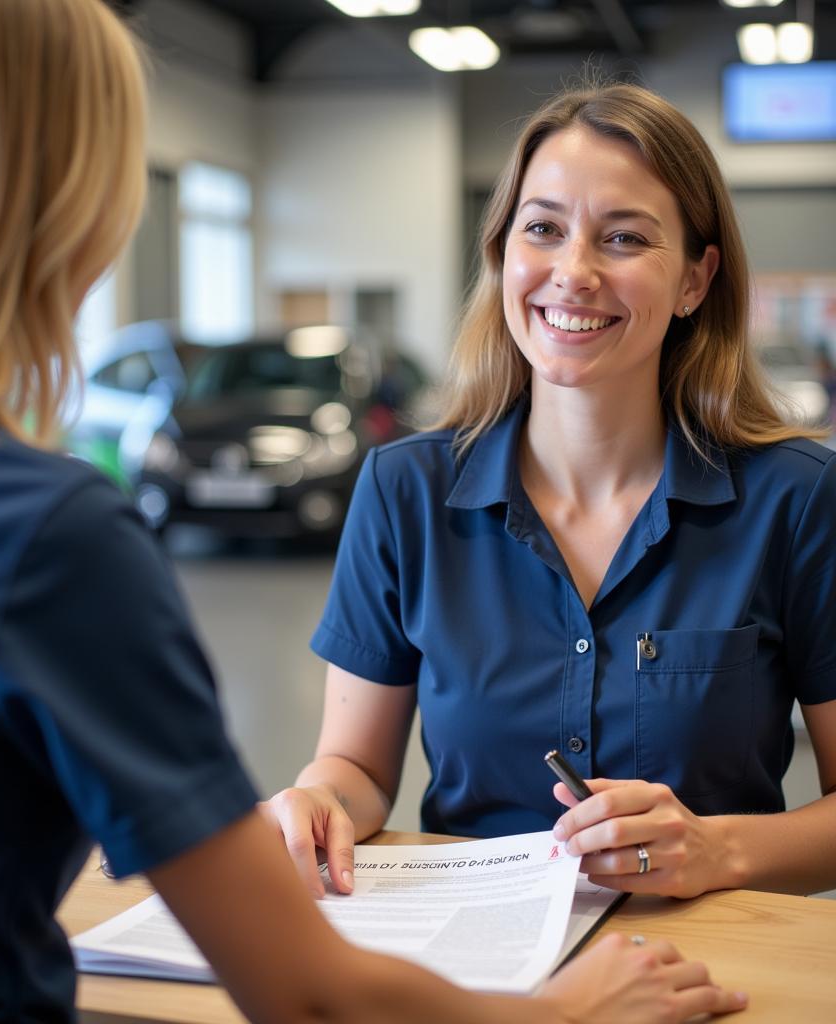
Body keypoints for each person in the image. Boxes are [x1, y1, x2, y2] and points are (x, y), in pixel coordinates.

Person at [0, 3, 746, 1023]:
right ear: (69, 197)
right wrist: (565, 1015)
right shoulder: (40, 536)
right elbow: (304, 990)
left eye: (622, 237)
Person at [264, 80, 836, 904]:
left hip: (701, 968)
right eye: (543, 228)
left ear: (695, 281)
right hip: (470, 963)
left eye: (625, 238)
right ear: (503, 253)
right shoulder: (405, 491)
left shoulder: (798, 502)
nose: (573, 272)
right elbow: (354, 767)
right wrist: (319, 800)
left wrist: (720, 850)